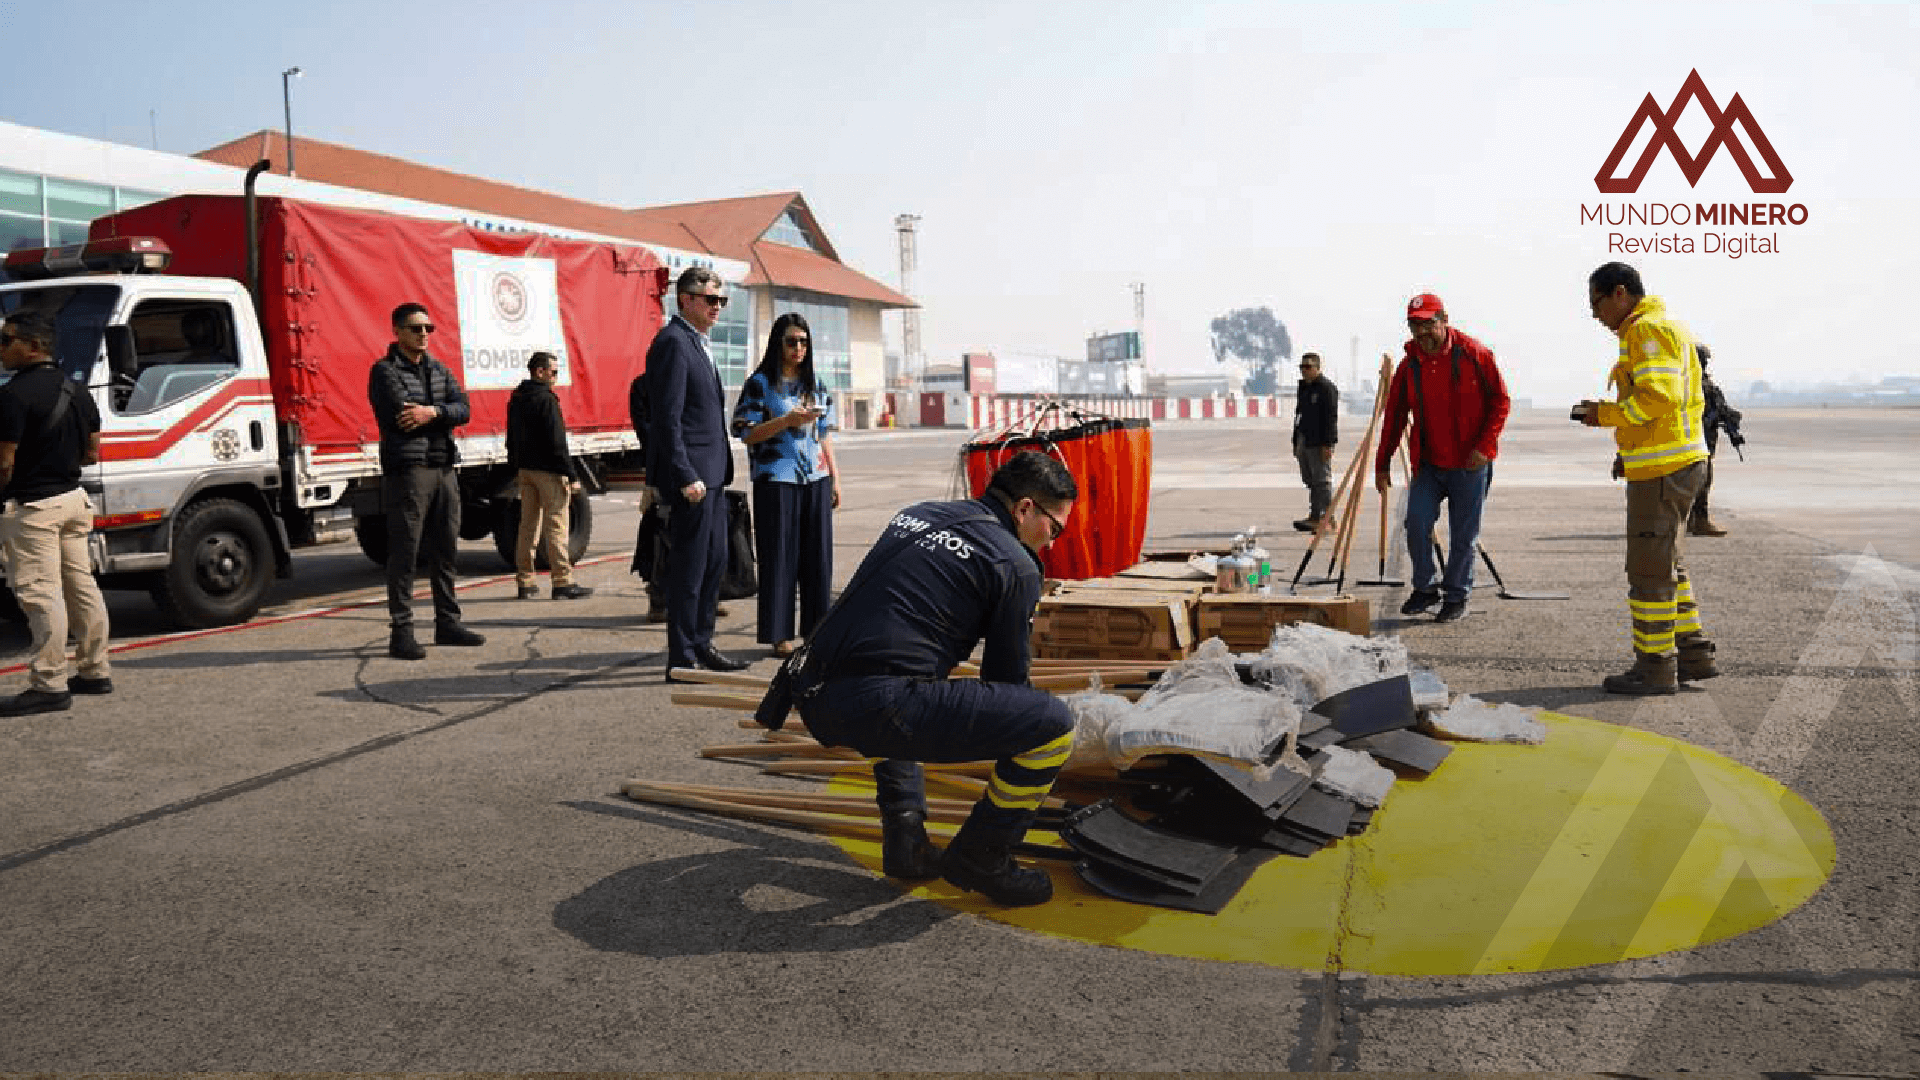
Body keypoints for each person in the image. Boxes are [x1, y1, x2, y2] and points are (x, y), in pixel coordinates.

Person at [763, 451, 1078, 907]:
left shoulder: (918, 515)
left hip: (812, 690)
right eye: (1056, 527)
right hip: (875, 706)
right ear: (1025, 508)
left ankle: (906, 840)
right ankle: (984, 856)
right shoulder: (1016, 565)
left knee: (908, 685)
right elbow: (1007, 685)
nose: (1053, 541)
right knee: (1051, 727)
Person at [1578, 261, 1718, 695]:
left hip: (1664, 471)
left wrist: (1603, 415)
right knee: (1668, 564)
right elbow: (1663, 408)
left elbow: (1657, 400)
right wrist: (1630, 452)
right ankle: (1692, 654)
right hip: (1672, 464)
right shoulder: (1661, 327)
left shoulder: (1645, 330)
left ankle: (1655, 669)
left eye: (1596, 303)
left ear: (1620, 293)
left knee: (1649, 572)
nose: (1595, 315)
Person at [0, 311, 112, 715]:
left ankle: (48, 684)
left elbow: (4, 464)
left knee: (40, 593)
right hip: (72, 500)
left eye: (6, 339)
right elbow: (93, 452)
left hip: (33, 507)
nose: (1, 348)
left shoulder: (13, 396)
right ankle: (95, 670)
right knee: (81, 587)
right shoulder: (78, 392)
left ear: (33, 346)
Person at [1375, 293, 1511, 623]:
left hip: (1470, 464)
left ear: (1444, 319)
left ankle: (1456, 595)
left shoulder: (1474, 354)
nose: (1421, 332)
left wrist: (1485, 444)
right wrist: (1382, 463)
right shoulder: (1409, 368)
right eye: (1414, 325)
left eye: (1427, 323)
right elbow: (1394, 417)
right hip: (1430, 464)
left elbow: (1501, 401)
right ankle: (1425, 588)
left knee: (1463, 536)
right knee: (1416, 523)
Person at [368, 302, 486, 660]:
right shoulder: (384, 371)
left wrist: (432, 412)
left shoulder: (439, 369)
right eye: (416, 328)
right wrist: (438, 414)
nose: (424, 335)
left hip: (444, 468)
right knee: (405, 553)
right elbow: (398, 414)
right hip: (409, 471)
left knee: (446, 550)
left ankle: (447, 623)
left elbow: (463, 408)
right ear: (398, 332)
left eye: (428, 329)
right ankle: (401, 632)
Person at [647, 267, 748, 677]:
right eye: (711, 300)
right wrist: (685, 473)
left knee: (714, 562)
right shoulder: (673, 343)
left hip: (713, 475)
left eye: (722, 301)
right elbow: (666, 420)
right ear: (685, 299)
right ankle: (681, 656)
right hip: (694, 480)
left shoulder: (698, 343)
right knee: (689, 569)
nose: (718, 307)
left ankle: (702, 643)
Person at [731, 313, 841, 657]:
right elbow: (745, 433)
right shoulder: (760, 383)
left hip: (816, 480)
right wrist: (785, 421)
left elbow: (824, 434)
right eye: (791, 341)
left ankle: (817, 630)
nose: (798, 348)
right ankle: (779, 634)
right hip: (776, 479)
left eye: (804, 341)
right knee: (779, 557)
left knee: (817, 558)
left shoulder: (816, 384)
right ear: (778, 344)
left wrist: (835, 477)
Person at [507, 351, 592, 600]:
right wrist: (571, 474)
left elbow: (511, 438)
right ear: (540, 372)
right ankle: (562, 582)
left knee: (528, 526)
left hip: (526, 471)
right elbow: (557, 443)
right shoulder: (547, 400)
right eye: (553, 372)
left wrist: (516, 467)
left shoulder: (518, 397)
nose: (556, 377)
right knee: (556, 526)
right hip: (549, 472)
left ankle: (525, 582)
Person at [1688, 344, 1744, 537]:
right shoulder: (1704, 386)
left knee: (1690, 482)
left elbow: (1723, 411)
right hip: (1700, 443)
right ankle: (1700, 521)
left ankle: (1690, 521)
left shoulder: (1683, 383)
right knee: (1703, 482)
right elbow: (1717, 410)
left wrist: (1730, 420)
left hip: (1689, 443)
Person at [1290, 351, 1338, 532]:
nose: (1304, 370)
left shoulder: (1327, 388)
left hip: (1320, 442)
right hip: (1305, 440)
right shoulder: (1304, 388)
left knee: (1322, 481)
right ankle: (1315, 515)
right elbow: (1298, 415)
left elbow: (1331, 419)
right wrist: (1295, 441)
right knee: (1310, 480)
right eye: (1302, 367)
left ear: (1317, 368)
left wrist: (1328, 444)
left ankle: (1328, 518)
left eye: (1308, 367)